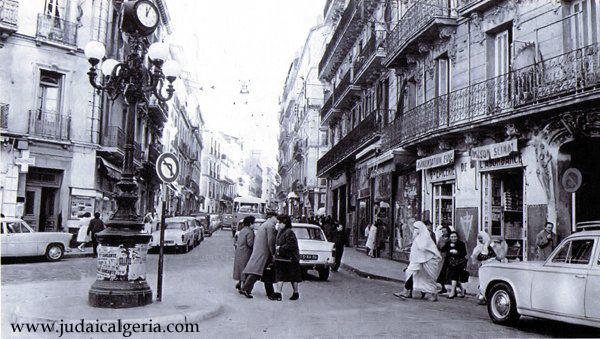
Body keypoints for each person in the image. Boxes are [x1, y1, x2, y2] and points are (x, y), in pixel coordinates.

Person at [394, 221, 442, 302]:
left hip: (428, 262)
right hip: (419, 261)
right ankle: (407, 292)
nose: (414, 230)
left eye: (416, 228)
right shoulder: (418, 237)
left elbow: (424, 249)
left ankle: (433, 294)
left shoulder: (425, 238)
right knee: (413, 275)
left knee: (429, 278)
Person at [241, 212, 278, 299]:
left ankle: (269, 292)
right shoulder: (270, 225)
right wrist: (273, 253)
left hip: (260, 250)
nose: (277, 221)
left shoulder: (265, 224)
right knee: (256, 272)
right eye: (276, 218)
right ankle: (246, 289)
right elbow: (270, 241)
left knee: (261, 271)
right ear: (272, 217)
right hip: (264, 251)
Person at [273, 215, 302, 301]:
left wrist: (280, 248)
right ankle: (278, 293)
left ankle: (296, 293)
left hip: (291, 258)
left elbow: (291, 245)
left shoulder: (289, 232)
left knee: (293, 277)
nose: (278, 224)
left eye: (280, 222)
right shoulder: (281, 231)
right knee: (280, 275)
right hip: (282, 258)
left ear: (284, 223)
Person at [471, 231, 496, 304]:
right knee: (482, 281)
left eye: (481, 238)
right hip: (483, 267)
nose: (480, 240)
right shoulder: (478, 248)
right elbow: (475, 258)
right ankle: (482, 297)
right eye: (479, 238)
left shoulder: (491, 246)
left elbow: (495, 256)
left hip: (491, 267)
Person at [441, 231, 468, 299]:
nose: (453, 238)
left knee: (454, 276)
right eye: (452, 237)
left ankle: (452, 292)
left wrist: (457, 252)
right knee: (455, 278)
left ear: (457, 237)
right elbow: (443, 250)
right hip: (450, 263)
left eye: (455, 237)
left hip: (459, 263)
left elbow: (464, 253)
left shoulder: (461, 244)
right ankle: (462, 290)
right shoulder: (448, 243)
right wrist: (448, 248)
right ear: (450, 238)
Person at [233, 216, 255, 297]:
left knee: (241, 269)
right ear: (250, 223)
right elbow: (250, 243)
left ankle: (240, 284)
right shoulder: (250, 232)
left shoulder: (242, 230)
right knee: (246, 271)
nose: (254, 225)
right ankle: (245, 288)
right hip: (246, 253)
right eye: (253, 223)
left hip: (239, 253)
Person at [435, 226, 451, 294]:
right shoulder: (441, 238)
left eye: (445, 231)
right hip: (442, 257)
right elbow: (438, 246)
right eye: (443, 231)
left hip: (449, 257)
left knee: (449, 274)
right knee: (441, 273)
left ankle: (457, 288)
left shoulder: (450, 238)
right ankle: (443, 287)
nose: (444, 232)